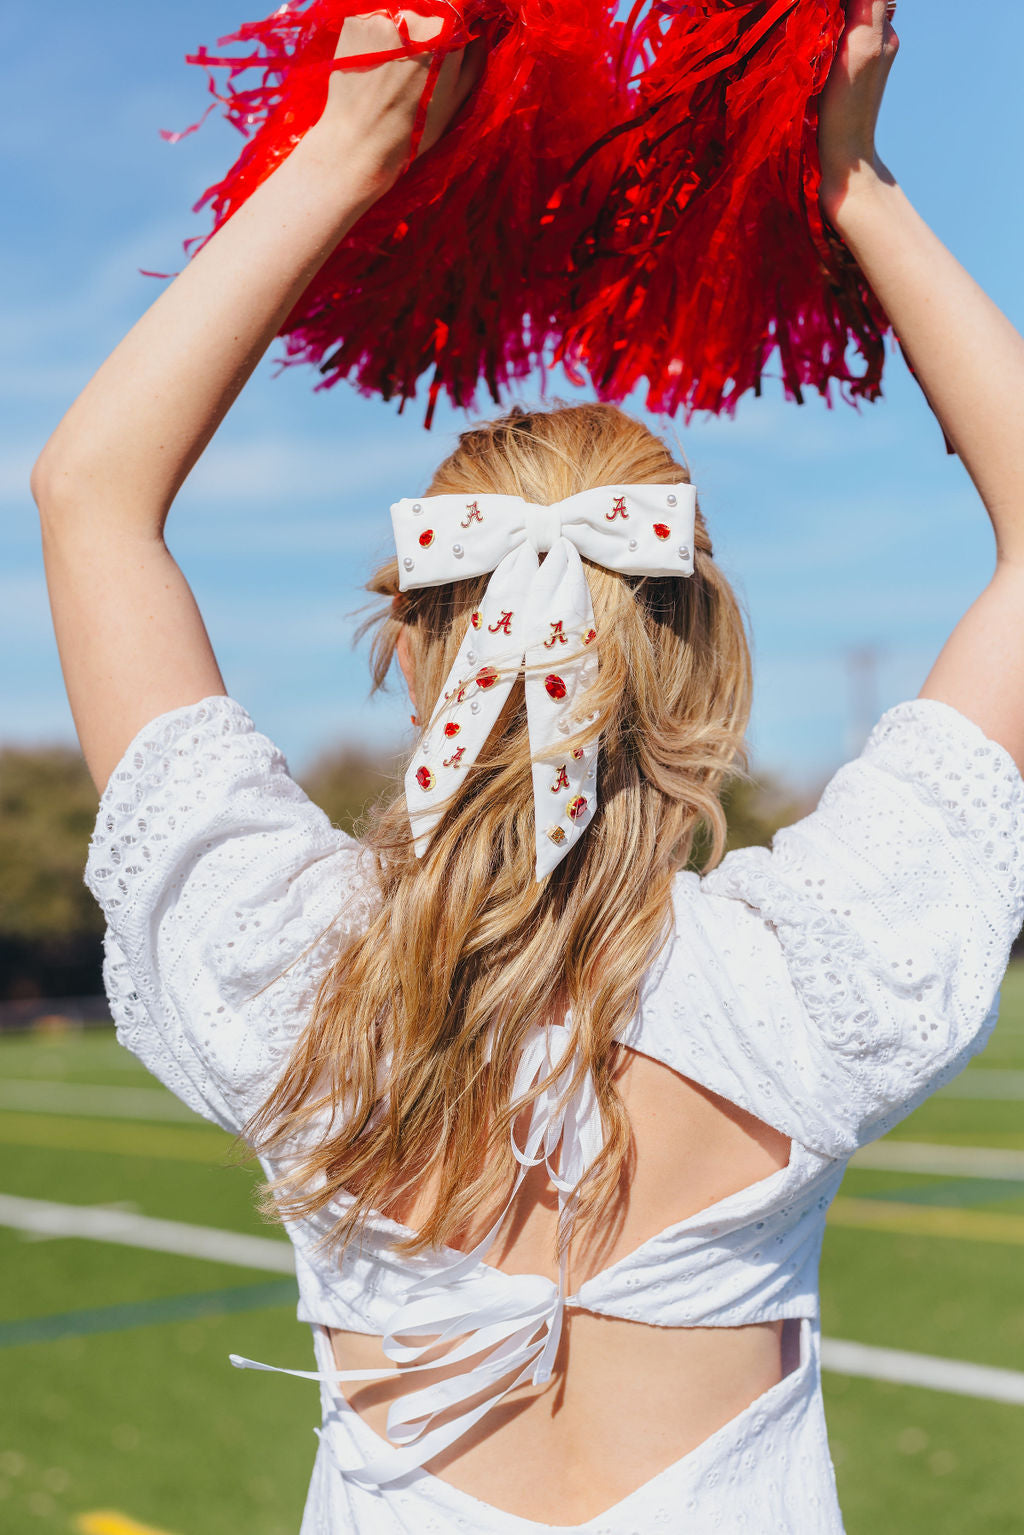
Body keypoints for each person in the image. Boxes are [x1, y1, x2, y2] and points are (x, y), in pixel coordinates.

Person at [31, 1, 1024, 1529]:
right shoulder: (806, 984)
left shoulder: (290, 982)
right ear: (697, 662)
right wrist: (853, 182)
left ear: (423, 650)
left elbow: (88, 493)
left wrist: (348, 147)